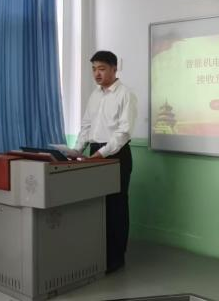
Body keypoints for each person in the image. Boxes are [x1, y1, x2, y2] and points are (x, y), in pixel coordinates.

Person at [73, 50, 137, 274]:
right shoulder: (94, 95)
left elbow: (123, 132)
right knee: (97, 205)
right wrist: (76, 150)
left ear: (114, 69)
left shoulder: (126, 94)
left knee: (116, 206)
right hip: (95, 152)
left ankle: (116, 258)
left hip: (116, 154)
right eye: (93, 69)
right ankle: (98, 253)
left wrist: (102, 153)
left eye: (101, 68)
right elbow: (86, 126)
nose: (96, 73)